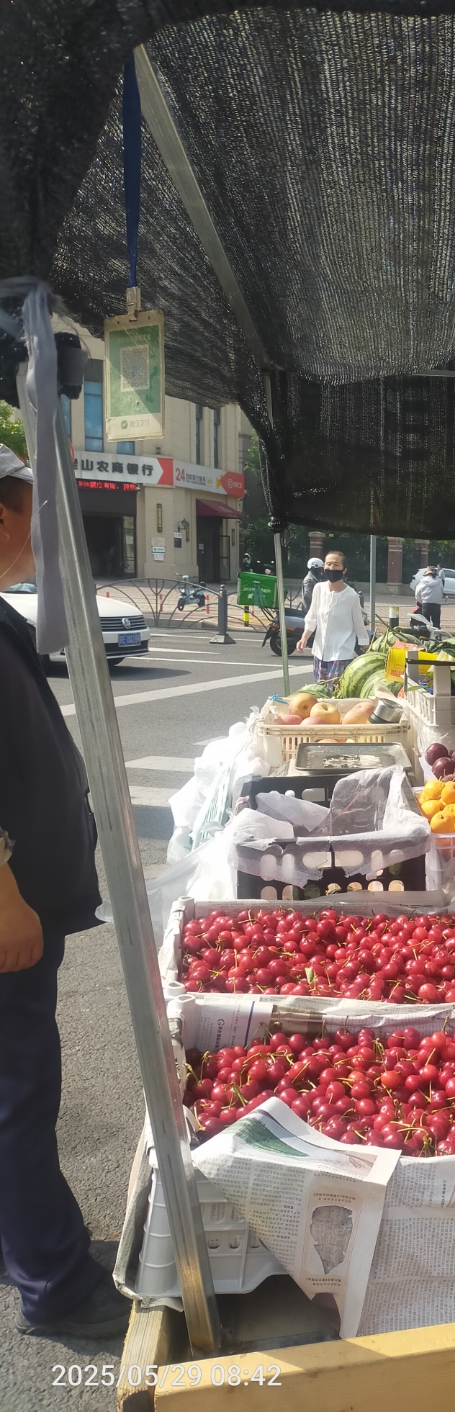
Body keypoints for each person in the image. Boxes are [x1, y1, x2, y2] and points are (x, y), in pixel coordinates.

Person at [0, 444, 130, 1338]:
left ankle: (16, 1242)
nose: (48, 534)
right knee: (18, 1090)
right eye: (36, 512)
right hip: (6, 911)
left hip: (25, 900)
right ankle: (56, 1284)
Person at [297, 550, 369, 681]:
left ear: (344, 570)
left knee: (335, 695)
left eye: (336, 565)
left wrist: (366, 647)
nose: (331, 568)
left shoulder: (351, 595)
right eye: (328, 564)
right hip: (320, 652)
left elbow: (358, 624)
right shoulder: (318, 588)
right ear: (323, 567)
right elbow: (312, 616)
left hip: (341, 654)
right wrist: (304, 638)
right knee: (320, 692)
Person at [413, 565, 444, 629]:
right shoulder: (439, 581)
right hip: (436, 605)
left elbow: (417, 594)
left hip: (426, 604)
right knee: (436, 623)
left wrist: (421, 602)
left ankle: (426, 637)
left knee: (425, 624)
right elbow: (441, 593)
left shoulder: (423, 581)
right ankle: (437, 637)